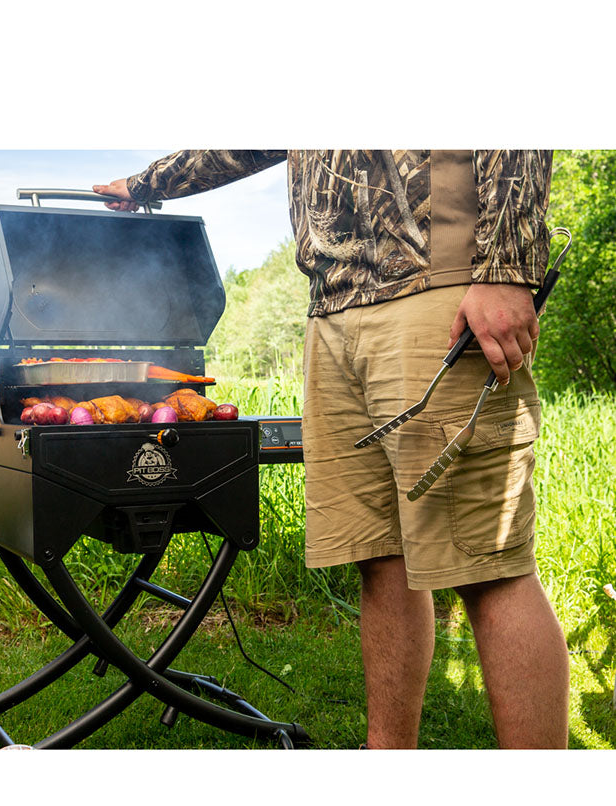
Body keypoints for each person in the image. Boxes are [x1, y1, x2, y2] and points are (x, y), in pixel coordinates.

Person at [93, 150, 570, 749]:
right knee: (380, 559)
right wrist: (144, 185)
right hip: (335, 310)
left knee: (488, 567)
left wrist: (505, 266)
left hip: (438, 292)